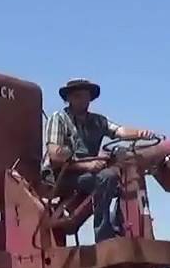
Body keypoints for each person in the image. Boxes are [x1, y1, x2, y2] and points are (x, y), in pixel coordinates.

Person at [43, 78, 155, 241]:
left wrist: (141, 133)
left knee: (120, 180)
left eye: (86, 96)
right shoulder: (58, 119)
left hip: (87, 174)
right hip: (60, 176)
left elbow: (120, 131)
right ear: (69, 99)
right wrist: (87, 165)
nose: (83, 100)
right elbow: (55, 154)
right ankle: (103, 236)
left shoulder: (97, 121)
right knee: (107, 177)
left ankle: (122, 225)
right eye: (78, 96)